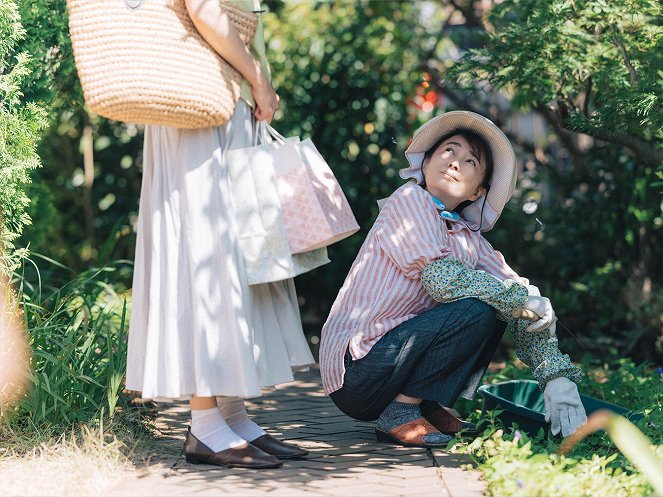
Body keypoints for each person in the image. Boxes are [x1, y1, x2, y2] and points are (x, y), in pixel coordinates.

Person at [319, 111, 587, 448]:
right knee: (482, 305)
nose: (455, 162)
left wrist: (554, 375)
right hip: (356, 369)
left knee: (497, 303)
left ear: (478, 192)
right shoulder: (409, 200)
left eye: (470, 160)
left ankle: (427, 406)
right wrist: (519, 299)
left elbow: (520, 297)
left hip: (392, 364)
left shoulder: (469, 239)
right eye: (449, 150)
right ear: (428, 160)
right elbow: (442, 279)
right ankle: (401, 412)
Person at [125, 0, 312, 469]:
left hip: (218, 105)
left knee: (232, 256)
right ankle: (206, 426)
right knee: (205, 250)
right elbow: (205, 10)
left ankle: (231, 417)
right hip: (199, 106)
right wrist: (259, 80)